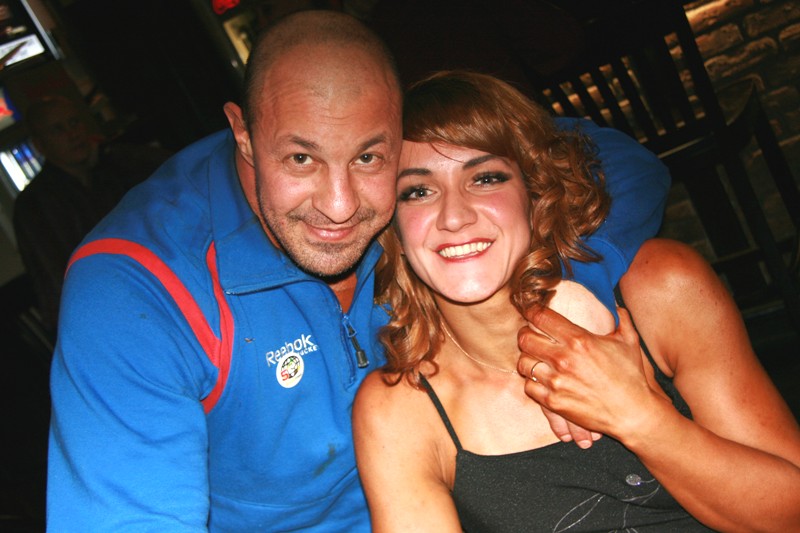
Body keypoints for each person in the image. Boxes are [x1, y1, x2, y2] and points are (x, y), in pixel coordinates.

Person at [47, 10, 672, 531]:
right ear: (243, 133)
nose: (341, 207)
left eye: (369, 157)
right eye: (301, 158)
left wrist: (562, 289)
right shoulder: (134, 287)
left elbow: (619, 161)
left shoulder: (418, 194)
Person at [353, 70, 800, 532]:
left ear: (535, 194)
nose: (454, 216)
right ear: (392, 227)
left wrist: (640, 417)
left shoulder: (662, 290)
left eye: (485, 178)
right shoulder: (400, 409)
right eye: (418, 191)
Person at [12, 95, 171, 336]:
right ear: (40, 145)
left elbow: (172, 172)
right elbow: (61, 279)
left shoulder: (114, 168)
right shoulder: (35, 204)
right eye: (58, 129)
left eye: (74, 122)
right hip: (100, 319)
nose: (73, 134)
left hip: (154, 292)